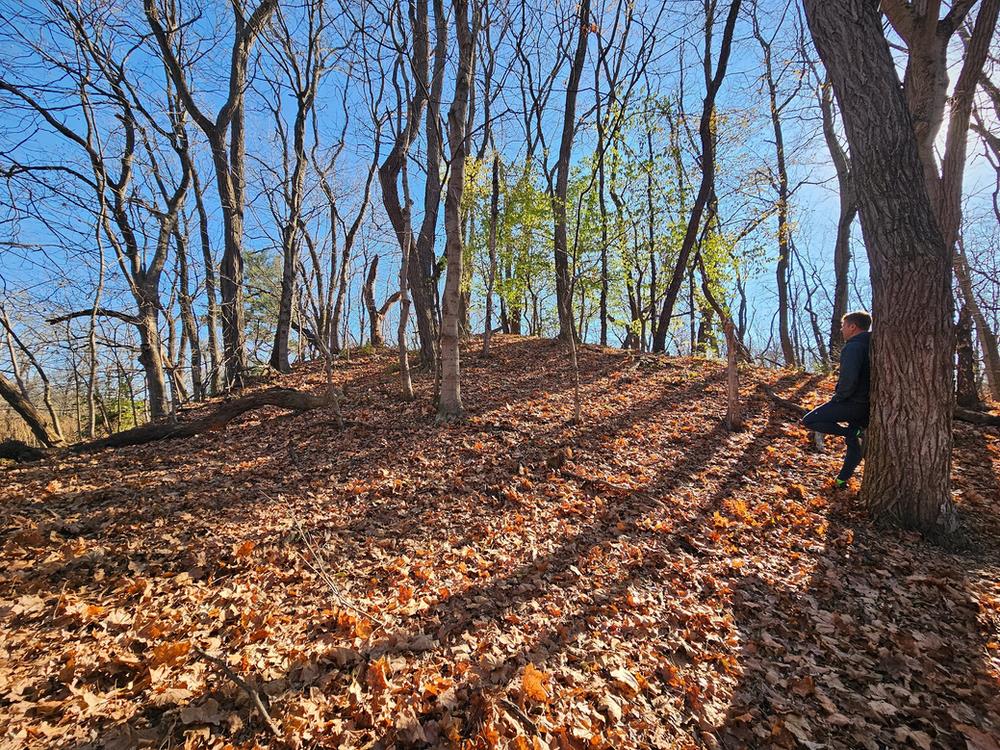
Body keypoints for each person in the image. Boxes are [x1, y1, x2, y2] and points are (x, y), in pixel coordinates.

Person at [802, 311, 871, 488]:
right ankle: (842, 480)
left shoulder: (853, 346)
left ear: (852, 326)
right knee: (854, 444)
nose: (842, 330)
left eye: (843, 326)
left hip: (853, 403)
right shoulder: (874, 344)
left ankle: (851, 433)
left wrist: (839, 398)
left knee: (810, 420)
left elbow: (849, 378)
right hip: (868, 405)